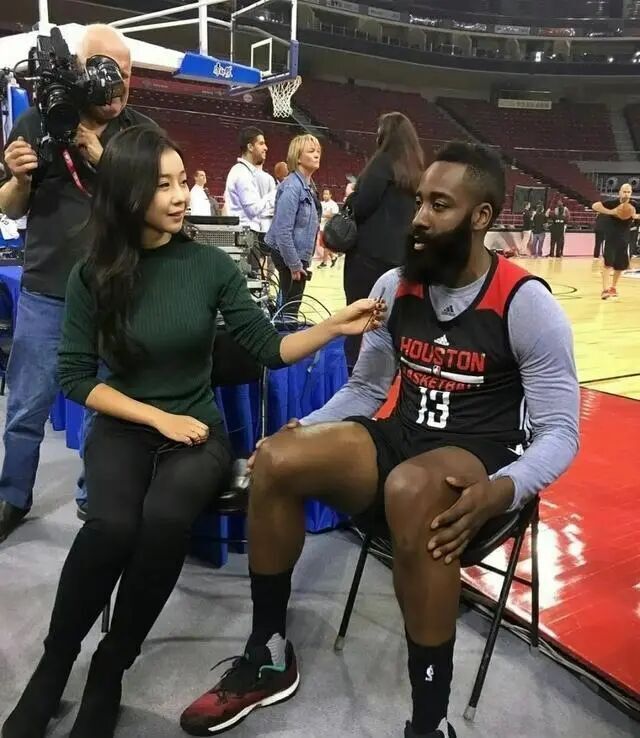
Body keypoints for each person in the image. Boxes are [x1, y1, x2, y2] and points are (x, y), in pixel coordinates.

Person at [181, 142, 580, 738]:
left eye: (439, 205)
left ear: (481, 217)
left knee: (413, 489)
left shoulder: (526, 304)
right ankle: (268, 654)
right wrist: (306, 428)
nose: (419, 217)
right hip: (400, 444)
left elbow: (561, 431)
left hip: (482, 468)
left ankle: (429, 723)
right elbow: (367, 389)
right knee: (280, 458)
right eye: (419, 201)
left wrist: (506, 489)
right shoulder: (396, 286)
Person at [0, 125, 383, 738]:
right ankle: (53, 668)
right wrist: (158, 418)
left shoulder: (208, 266)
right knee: (110, 526)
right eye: (164, 185)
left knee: (163, 522)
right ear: (127, 192)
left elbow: (267, 347)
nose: (181, 196)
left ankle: (110, 667)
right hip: (127, 426)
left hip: (200, 435)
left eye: (182, 182)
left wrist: (335, 325)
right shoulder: (92, 273)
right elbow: (75, 378)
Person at [0, 24, 155, 543]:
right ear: (81, 69)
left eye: (128, 73)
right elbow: (9, 208)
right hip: (46, 290)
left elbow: (154, 202)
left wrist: (101, 157)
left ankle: (95, 499)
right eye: (109, 70)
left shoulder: (140, 133)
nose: (120, 83)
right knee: (27, 404)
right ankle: (12, 496)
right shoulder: (37, 120)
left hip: (115, 292)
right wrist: (19, 180)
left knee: (104, 408)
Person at [343, 111, 424, 369]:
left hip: (368, 259)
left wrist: (351, 196)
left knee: (359, 321)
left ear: (385, 135)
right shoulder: (417, 171)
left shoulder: (382, 163)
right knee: (391, 324)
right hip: (401, 260)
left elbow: (362, 206)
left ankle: (356, 376)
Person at [265, 134, 322, 314]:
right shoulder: (292, 187)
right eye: (311, 151)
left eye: (318, 151)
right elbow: (283, 230)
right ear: (297, 157)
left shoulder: (308, 186)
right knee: (288, 313)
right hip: (290, 257)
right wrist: (294, 264)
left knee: (289, 310)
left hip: (296, 256)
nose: (317, 155)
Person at [592, 182, 639, 299]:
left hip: (624, 239)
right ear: (620, 192)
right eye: (624, 191)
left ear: (631, 193)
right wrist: (612, 211)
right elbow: (595, 206)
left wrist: (636, 216)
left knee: (620, 266)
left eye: (628, 192)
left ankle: (613, 288)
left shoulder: (634, 205)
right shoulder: (612, 203)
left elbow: (637, 215)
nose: (626, 194)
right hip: (611, 237)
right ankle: (605, 290)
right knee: (607, 264)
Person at [317, 188, 340, 268]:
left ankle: (324, 262)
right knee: (323, 245)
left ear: (330, 195)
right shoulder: (321, 204)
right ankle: (333, 256)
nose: (325, 195)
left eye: (327, 194)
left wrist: (324, 215)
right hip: (321, 226)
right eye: (324, 194)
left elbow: (334, 215)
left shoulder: (333, 204)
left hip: (329, 227)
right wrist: (326, 214)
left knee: (326, 245)